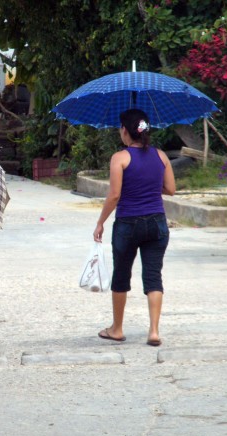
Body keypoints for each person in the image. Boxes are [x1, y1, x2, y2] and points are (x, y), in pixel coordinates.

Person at [93, 109, 176, 346]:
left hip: (128, 224)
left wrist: (100, 222)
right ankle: (154, 331)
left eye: (121, 128)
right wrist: (148, 185)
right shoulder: (161, 156)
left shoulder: (119, 158)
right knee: (153, 275)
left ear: (125, 131)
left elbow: (114, 195)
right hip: (157, 224)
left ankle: (117, 329)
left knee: (121, 274)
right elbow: (170, 189)